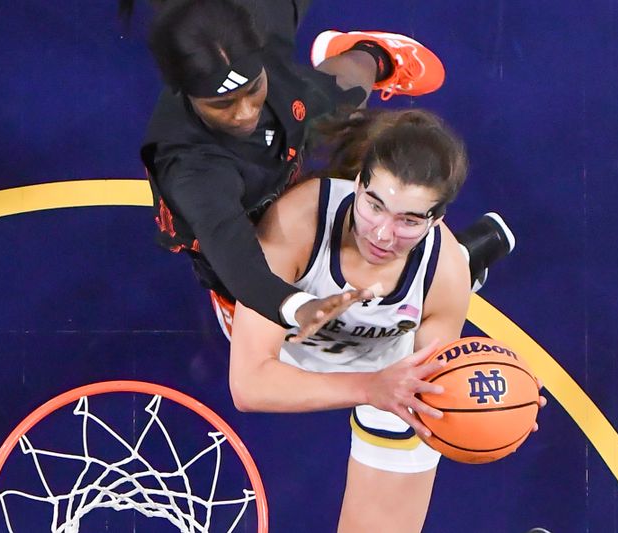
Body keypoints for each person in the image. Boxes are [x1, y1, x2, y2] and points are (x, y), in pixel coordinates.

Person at [227, 109, 537, 532]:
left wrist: (498, 404)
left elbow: (434, 397)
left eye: (409, 220)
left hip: (386, 362)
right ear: (357, 185)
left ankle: (465, 258)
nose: (382, 234)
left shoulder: (443, 275)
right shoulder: (298, 222)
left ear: (437, 219)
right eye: (374, 205)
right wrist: (368, 389)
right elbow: (250, 383)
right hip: (285, 343)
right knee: (230, 267)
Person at [132, 0, 513, 343]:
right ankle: (453, 266)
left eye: (252, 89)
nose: (245, 112)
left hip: (290, 123)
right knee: (302, 339)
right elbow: (234, 257)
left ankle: (374, 53)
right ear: (187, 92)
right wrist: (295, 306)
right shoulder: (192, 167)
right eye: (224, 103)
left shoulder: (250, 24)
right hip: (248, 234)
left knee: (345, 103)